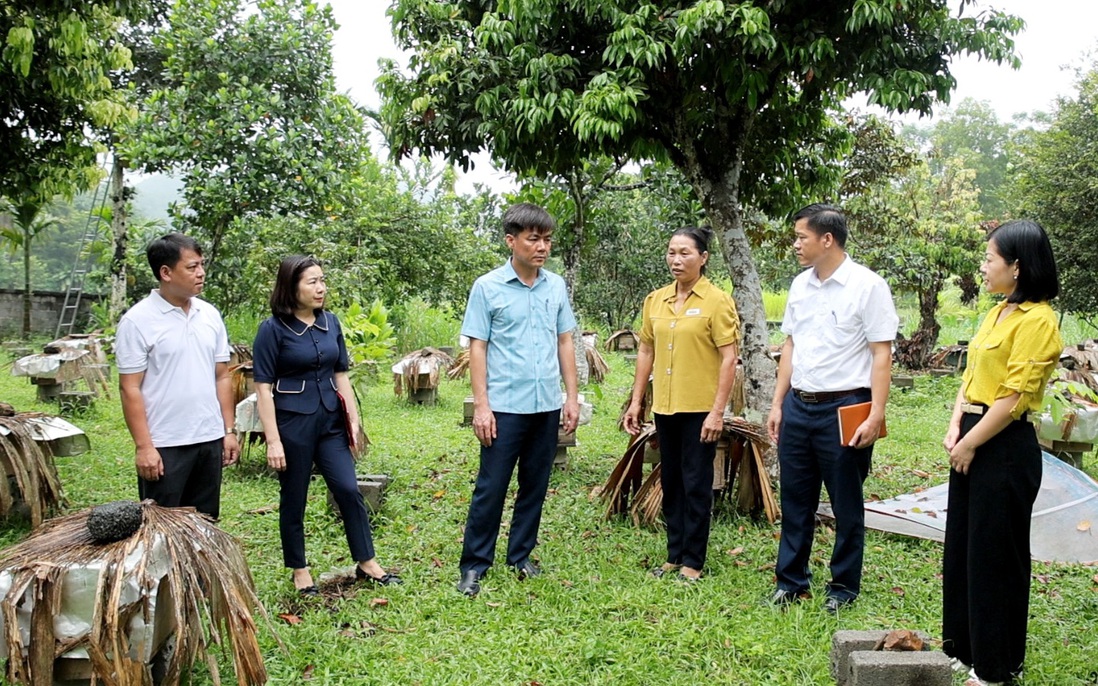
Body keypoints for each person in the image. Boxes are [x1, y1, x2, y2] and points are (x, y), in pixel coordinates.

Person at [941, 220, 1061, 686]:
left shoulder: (1039, 320)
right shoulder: (998, 313)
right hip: (972, 432)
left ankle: (996, 666)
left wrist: (971, 441)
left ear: (1016, 265)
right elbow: (971, 378)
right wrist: (956, 425)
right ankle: (964, 649)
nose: (983, 266)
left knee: (996, 556)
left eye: (990, 259)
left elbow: (1013, 398)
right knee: (964, 550)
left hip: (1003, 444)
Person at [766, 204, 898, 614]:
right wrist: (777, 402)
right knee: (795, 498)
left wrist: (876, 413)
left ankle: (843, 587)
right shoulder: (800, 285)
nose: (795, 245)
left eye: (801, 237)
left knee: (845, 502)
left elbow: (881, 353)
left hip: (845, 407)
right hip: (799, 405)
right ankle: (791, 581)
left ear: (827, 239)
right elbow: (790, 344)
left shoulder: (868, 286)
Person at [252, 255, 401, 596]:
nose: (321, 288)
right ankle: (300, 569)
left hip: (330, 421)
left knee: (348, 489)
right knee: (295, 496)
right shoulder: (272, 329)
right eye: (312, 282)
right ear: (291, 287)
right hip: (293, 423)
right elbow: (262, 387)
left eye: (322, 280)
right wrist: (273, 441)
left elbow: (340, 374)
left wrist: (353, 419)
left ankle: (366, 562)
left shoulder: (330, 322)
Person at [456, 203, 580, 597]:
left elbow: (564, 341)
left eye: (546, 239)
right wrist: (481, 405)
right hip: (504, 406)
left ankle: (521, 556)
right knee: (491, 487)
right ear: (512, 241)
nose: (542, 247)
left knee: (535, 485)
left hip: (545, 405)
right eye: (533, 239)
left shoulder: (555, 286)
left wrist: (571, 397)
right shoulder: (487, 287)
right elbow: (478, 347)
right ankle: (475, 565)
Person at [623, 226, 740, 582]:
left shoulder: (717, 301)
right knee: (671, 481)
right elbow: (646, 350)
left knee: (696, 483)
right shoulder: (654, 300)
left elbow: (728, 358)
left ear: (703, 258)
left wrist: (717, 411)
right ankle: (674, 554)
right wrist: (637, 401)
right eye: (672, 252)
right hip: (666, 407)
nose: (676, 260)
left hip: (700, 409)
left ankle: (693, 560)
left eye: (685, 253)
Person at [117, 233, 240, 519]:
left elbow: (222, 376)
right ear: (166, 272)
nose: (201, 273)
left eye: (201, 265)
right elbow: (129, 389)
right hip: (165, 443)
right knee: (163, 529)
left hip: (209, 439)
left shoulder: (209, 315)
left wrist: (228, 430)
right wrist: (145, 447)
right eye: (192, 267)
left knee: (205, 525)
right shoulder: (137, 321)